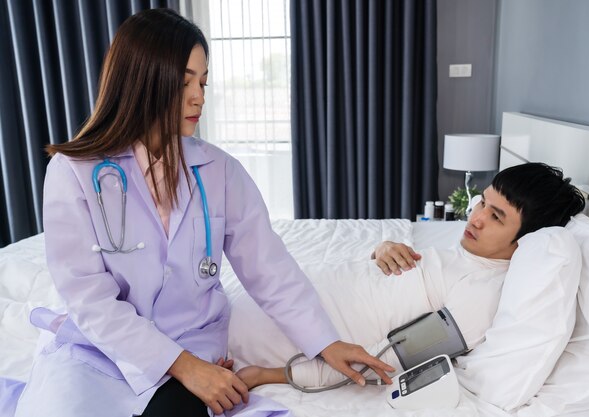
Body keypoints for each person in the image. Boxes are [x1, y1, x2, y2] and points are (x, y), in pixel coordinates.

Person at [13, 8, 392, 417]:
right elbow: (89, 299)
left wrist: (325, 343)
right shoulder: (74, 171)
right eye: (184, 82)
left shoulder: (220, 171)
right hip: (100, 352)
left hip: (192, 346)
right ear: (142, 80)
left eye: (203, 82)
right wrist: (184, 366)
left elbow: (269, 269)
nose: (200, 97)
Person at [234, 162, 585, 390]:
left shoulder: (481, 298)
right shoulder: (469, 254)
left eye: (496, 217)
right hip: (289, 292)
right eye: (482, 203)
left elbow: (384, 361)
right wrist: (380, 249)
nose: (476, 218)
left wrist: (270, 376)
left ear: (523, 241)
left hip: (283, 328)